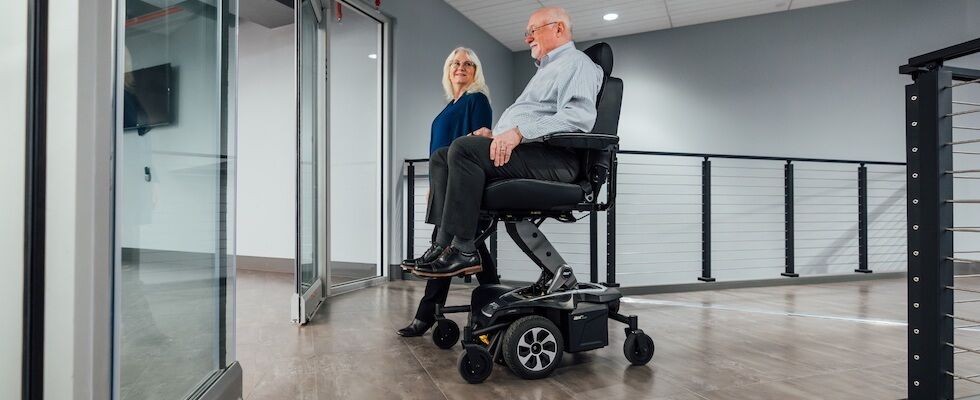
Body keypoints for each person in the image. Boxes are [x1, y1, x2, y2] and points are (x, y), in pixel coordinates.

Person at [411, 6, 603, 279]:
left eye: (532, 31)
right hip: (531, 152)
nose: (527, 38)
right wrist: (497, 135)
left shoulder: (577, 63)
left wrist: (519, 132)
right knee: (442, 155)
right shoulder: (547, 70)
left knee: (462, 149)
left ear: (558, 28)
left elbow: (579, 117)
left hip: (555, 160)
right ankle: (443, 244)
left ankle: (464, 250)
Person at [397, 47, 501, 337]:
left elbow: (477, 146)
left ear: (476, 71)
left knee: (450, 247)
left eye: (468, 64)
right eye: (455, 63)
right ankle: (492, 310)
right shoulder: (449, 105)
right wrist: (434, 189)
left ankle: (426, 315)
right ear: (448, 70)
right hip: (445, 186)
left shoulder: (476, 100)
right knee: (471, 250)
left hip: (464, 190)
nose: (461, 67)